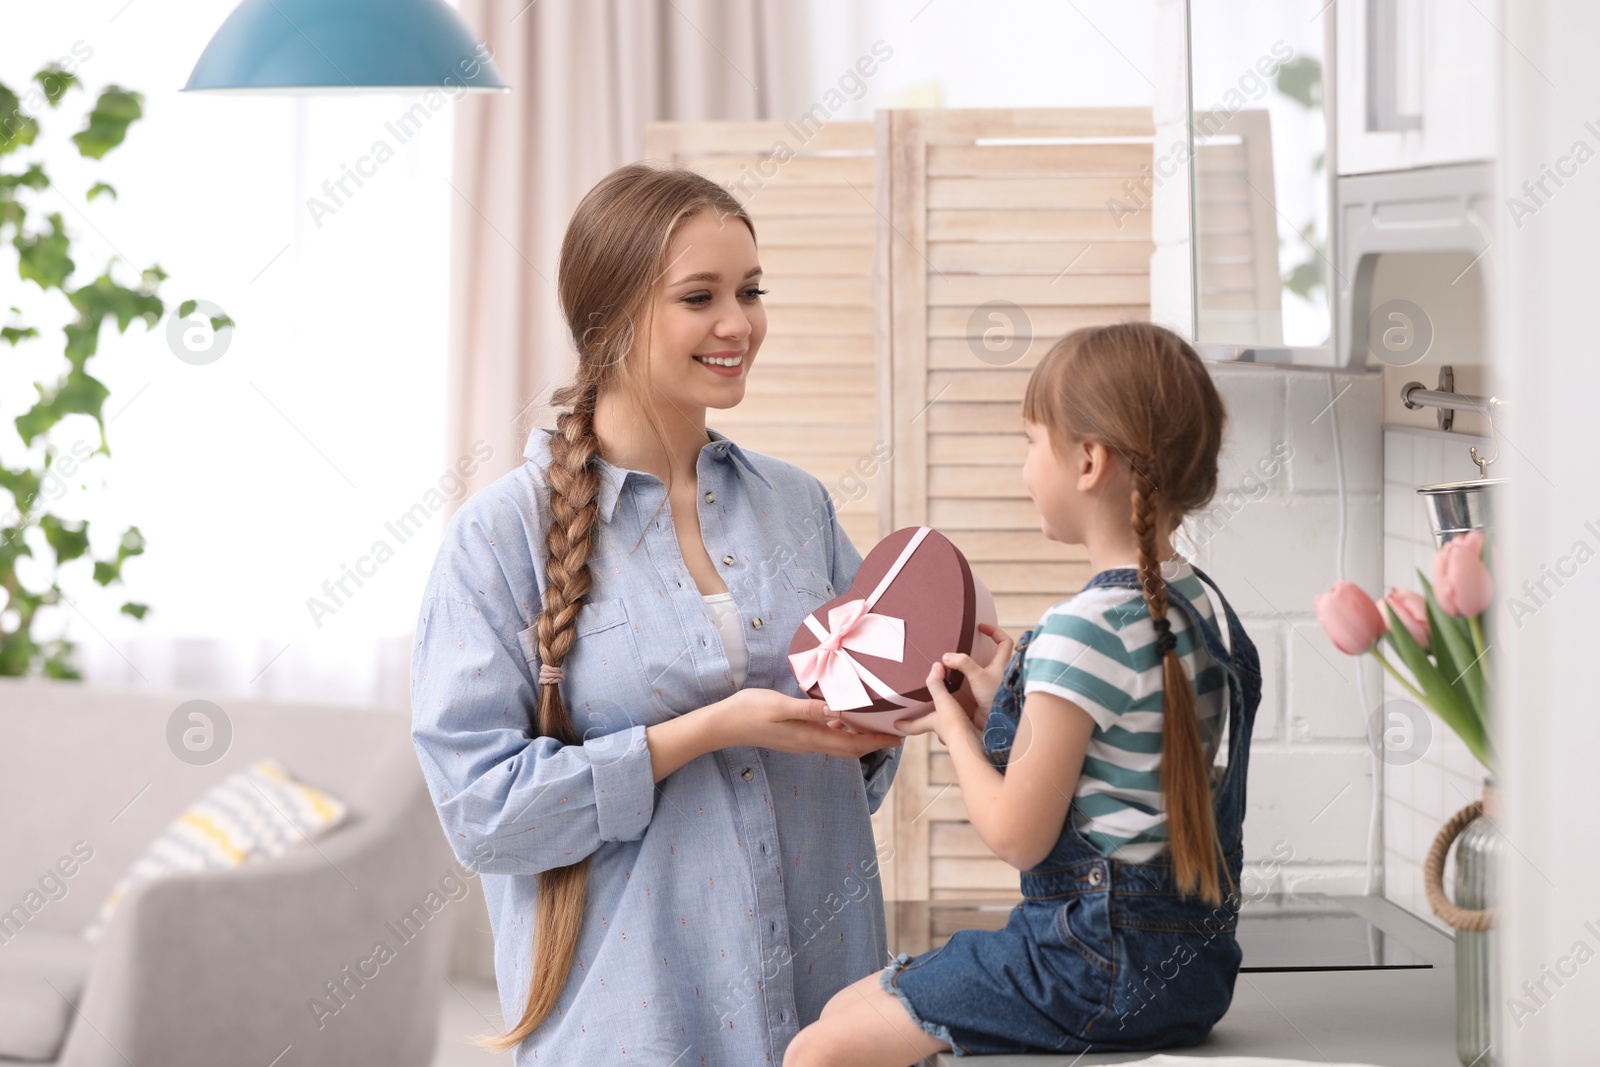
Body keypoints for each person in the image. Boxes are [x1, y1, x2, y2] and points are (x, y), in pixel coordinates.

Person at [409, 161, 906, 1065]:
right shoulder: (498, 539)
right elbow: (484, 816)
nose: (738, 323)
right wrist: (705, 731)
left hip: (829, 1018)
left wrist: (899, 710)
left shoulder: (799, 507)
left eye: (750, 291)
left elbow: (861, 773)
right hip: (636, 1033)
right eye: (699, 296)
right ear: (613, 318)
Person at [784, 322, 1265, 1065]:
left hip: (1087, 967)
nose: (1023, 465)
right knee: (849, 1005)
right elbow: (1116, 768)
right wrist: (1005, 708)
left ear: (1088, 460)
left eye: (1029, 440)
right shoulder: (1204, 609)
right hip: (1194, 974)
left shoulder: (1082, 630)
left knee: (817, 1050)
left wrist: (954, 731)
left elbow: (1017, 833)